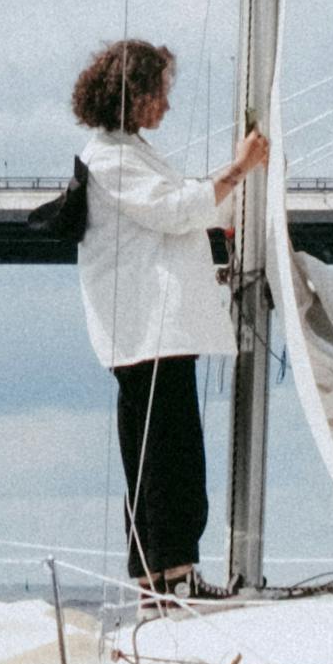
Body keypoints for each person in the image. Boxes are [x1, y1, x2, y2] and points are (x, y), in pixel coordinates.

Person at [66, 36, 264, 591]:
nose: (167, 106)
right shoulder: (110, 160)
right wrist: (241, 168)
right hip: (147, 328)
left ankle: (162, 575)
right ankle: (170, 576)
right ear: (134, 95)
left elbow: (178, 209)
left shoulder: (128, 153)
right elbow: (176, 211)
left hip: (155, 329)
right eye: (159, 94)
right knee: (166, 460)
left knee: (163, 453)